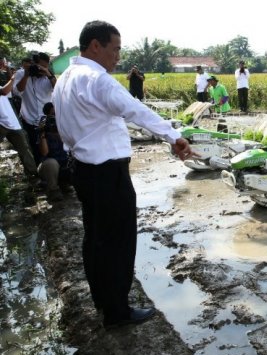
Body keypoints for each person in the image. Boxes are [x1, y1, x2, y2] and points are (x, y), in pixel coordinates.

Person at [52, 20, 196, 329]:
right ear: (95, 46)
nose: (118, 56)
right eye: (115, 49)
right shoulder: (97, 79)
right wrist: (174, 136)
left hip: (81, 168)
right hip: (107, 173)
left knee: (95, 238)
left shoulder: (65, 79)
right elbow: (135, 110)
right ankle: (118, 312)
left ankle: (103, 300)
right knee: (119, 241)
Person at [0, 67, 38, 182]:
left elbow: (9, 91)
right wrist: (13, 77)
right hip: (2, 123)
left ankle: (33, 175)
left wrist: (10, 73)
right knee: (25, 149)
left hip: (11, 122)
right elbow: (4, 91)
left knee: (25, 149)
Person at [16, 52, 56, 160]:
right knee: (32, 149)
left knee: (48, 150)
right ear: (33, 64)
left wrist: (48, 73)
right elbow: (18, 90)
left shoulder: (48, 76)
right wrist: (26, 75)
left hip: (45, 120)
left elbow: (57, 89)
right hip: (28, 119)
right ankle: (36, 171)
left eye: (45, 67)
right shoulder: (21, 74)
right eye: (40, 66)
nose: (41, 69)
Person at [36, 102, 70, 201]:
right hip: (49, 167)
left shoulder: (67, 127)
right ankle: (53, 190)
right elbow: (44, 153)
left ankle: (66, 184)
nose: (54, 118)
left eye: (56, 115)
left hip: (65, 165)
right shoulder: (45, 132)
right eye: (52, 115)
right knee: (51, 163)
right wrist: (43, 133)